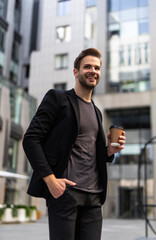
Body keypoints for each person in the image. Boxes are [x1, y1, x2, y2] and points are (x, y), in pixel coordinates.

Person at [23, 48, 126, 240]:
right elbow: (31, 139)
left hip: (94, 197)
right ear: (75, 71)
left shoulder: (97, 112)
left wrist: (109, 151)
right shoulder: (57, 98)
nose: (93, 71)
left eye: (96, 68)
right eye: (87, 66)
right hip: (65, 193)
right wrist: (50, 180)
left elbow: (88, 152)